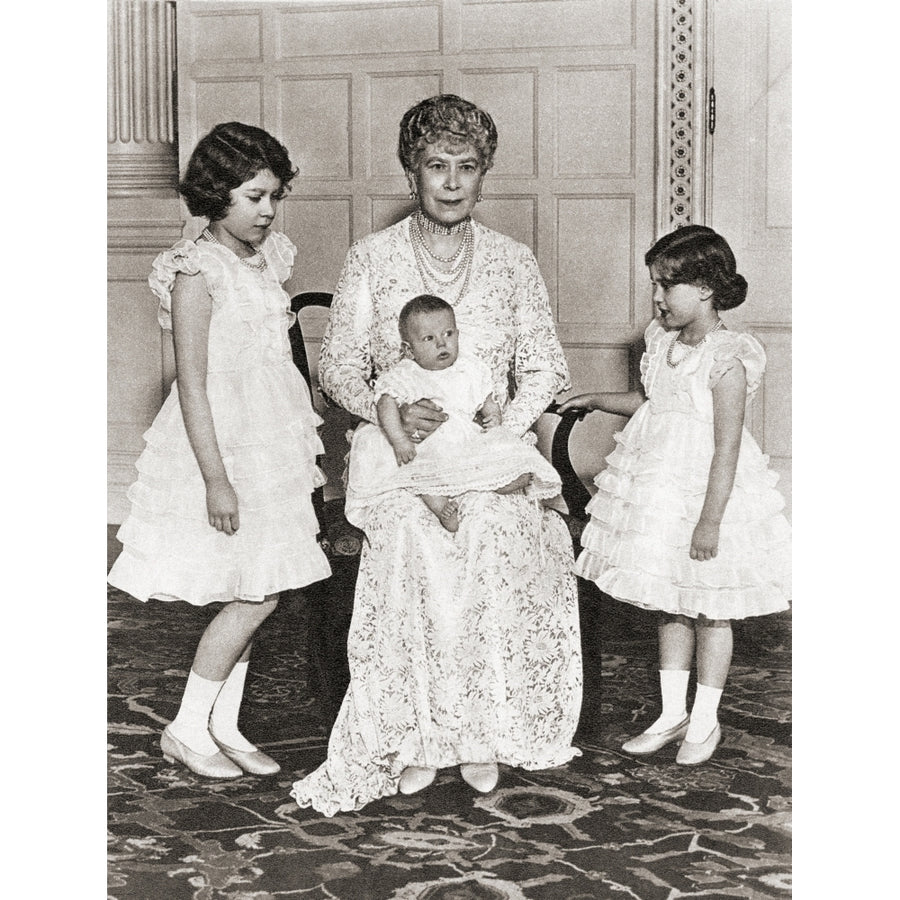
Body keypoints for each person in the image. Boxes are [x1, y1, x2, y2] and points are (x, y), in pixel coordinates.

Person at [290, 94, 582, 815]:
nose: (451, 182)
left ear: (484, 176)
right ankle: (418, 730)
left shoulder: (514, 263)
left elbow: (544, 366)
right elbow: (340, 367)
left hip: (487, 447)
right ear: (411, 171)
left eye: (467, 167)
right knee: (420, 535)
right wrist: (391, 416)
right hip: (402, 453)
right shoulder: (373, 257)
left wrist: (504, 424)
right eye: (436, 166)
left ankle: (480, 728)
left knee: (495, 525)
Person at [108, 122, 332, 779]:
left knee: (260, 581)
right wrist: (216, 480)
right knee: (256, 594)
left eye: (273, 197)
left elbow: (265, 359)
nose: (267, 211)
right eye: (254, 197)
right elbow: (195, 386)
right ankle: (184, 727)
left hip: (267, 442)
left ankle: (223, 725)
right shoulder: (195, 271)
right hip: (224, 450)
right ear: (216, 193)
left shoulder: (263, 257)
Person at [558, 225, 791, 766]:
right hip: (661, 492)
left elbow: (727, 449)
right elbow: (650, 401)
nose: (658, 299)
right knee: (669, 601)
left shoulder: (728, 357)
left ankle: (705, 721)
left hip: (708, 497)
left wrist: (710, 521)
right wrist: (595, 398)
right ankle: (672, 713)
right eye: (655, 286)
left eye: (668, 287)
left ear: (707, 288)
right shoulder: (660, 343)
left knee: (710, 608)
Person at [345, 293, 563, 532]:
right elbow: (385, 404)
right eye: (429, 338)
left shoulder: (469, 368)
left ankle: (500, 481)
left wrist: (493, 415)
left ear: (458, 334)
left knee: (493, 453)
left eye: (448, 334)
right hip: (426, 442)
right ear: (409, 349)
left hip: (463, 436)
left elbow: (486, 399)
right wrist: (398, 440)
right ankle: (440, 506)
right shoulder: (405, 373)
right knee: (418, 471)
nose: (442, 343)